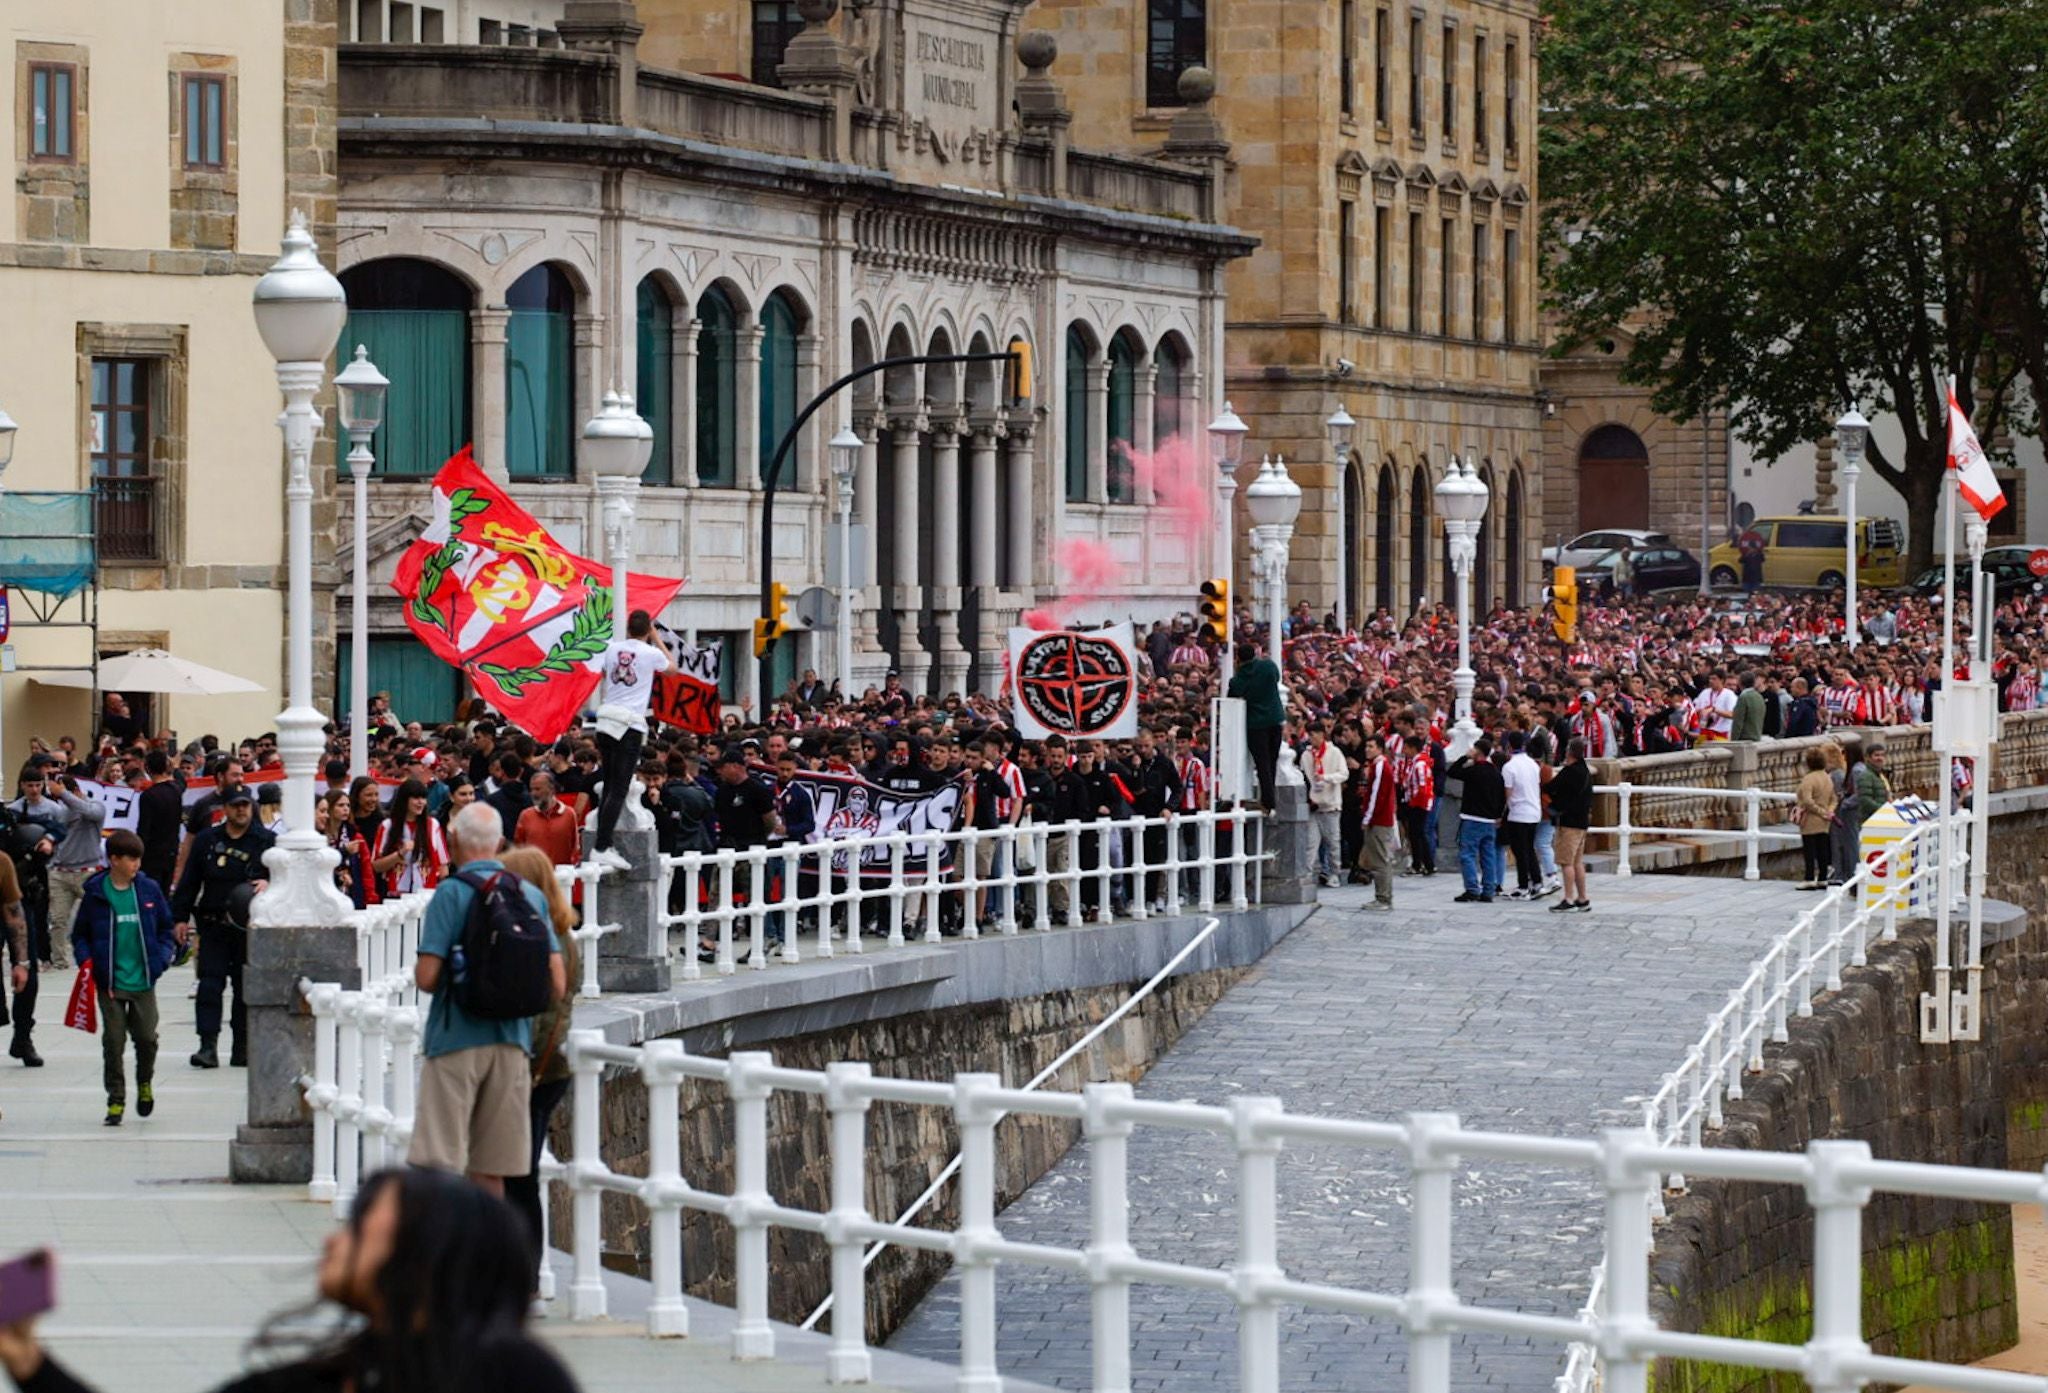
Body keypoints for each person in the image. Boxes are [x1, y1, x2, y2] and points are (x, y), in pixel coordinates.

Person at [0, 1166, 582, 1393]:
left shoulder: (514, 1378)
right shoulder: (321, 1380)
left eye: (358, 1227)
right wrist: (29, 1362)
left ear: (423, 1252)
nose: (333, 1239)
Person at [409, 803, 565, 1197]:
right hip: (512, 1042)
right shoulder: (529, 893)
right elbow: (557, 983)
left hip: (455, 1039)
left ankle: (445, 1255)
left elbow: (427, 977)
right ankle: (486, 1255)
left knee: (439, 1164)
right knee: (492, 1172)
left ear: (454, 838)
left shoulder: (451, 892)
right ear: (498, 843)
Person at [496, 845, 582, 1269]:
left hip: (535, 1067)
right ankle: (522, 1269)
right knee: (519, 1171)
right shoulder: (561, 934)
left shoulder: (543, 938)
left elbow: (545, 1010)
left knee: (519, 1172)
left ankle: (523, 1270)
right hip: (548, 1067)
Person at [71, 830, 178, 1126]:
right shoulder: (96, 893)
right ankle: (115, 1099)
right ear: (114, 859)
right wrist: (87, 962)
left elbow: (165, 927)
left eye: (138, 858)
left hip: (143, 978)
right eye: (130, 858)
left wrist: (162, 958)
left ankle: (145, 1082)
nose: (136, 864)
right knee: (113, 1041)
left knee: (146, 1038)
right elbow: (80, 934)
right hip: (110, 982)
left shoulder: (148, 889)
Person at [171, 788, 274, 1069]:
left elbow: (285, 876)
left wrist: (270, 882)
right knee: (210, 985)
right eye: (235, 805)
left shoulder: (266, 842)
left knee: (244, 989)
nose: (241, 810)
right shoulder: (208, 840)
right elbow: (190, 880)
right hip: (214, 924)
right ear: (225, 808)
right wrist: (179, 917)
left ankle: (242, 1047)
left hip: (248, 929)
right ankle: (207, 1045)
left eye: (245, 805)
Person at [589, 609, 673, 869]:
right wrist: (656, 639)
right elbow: (672, 669)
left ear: (627, 629)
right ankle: (602, 846)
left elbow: (603, 673)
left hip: (605, 720)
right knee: (619, 788)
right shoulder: (651, 653)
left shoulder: (612, 648)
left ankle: (602, 843)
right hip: (629, 724)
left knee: (609, 783)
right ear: (647, 630)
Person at [40, 769, 106, 972]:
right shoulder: (59, 812)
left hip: (89, 871)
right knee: (58, 920)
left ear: (76, 791)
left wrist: (64, 794)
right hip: (61, 872)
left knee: (96, 917)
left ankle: (97, 957)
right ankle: (59, 961)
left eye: (65, 795)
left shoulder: (94, 807)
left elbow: (91, 812)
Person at [1227, 641, 1285, 810]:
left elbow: (1232, 696)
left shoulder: (1237, 680)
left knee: (1262, 763)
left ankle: (1268, 801)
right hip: (1275, 720)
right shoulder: (1268, 666)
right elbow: (1277, 677)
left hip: (1256, 725)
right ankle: (1270, 798)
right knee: (1272, 760)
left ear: (1238, 659)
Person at [1451, 736, 1504, 903]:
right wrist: (1497, 815)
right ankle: (1488, 890)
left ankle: (1472, 889)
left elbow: (1452, 771)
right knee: (1488, 856)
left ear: (1477, 752)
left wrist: (1465, 757)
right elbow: (1501, 797)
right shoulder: (1496, 773)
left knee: (1468, 854)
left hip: (1472, 818)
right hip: (1489, 821)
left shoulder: (1473, 771)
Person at [1547, 738, 1595, 913]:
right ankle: (1582, 898)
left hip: (1568, 823)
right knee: (1577, 862)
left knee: (1566, 862)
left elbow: (1550, 787)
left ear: (1570, 752)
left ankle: (1568, 898)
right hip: (1582, 822)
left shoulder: (1569, 772)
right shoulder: (1585, 772)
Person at [1300, 722, 1347, 889]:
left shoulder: (1334, 752)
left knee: (1333, 842)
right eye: (1309, 735)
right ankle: (1306, 873)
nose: (1311, 738)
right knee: (1311, 843)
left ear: (1322, 735)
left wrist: (1326, 778)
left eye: (1314, 735)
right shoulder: (1306, 755)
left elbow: (1344, 774)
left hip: (1331, 804)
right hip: (1314, 804)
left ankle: (1335, 872)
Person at [1356, 733, 1398, 912]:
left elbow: (1376, 795)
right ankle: (1383, 897)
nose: (1367, 749)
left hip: (1379, 820)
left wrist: (1367, 817)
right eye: (1367, 746)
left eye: (1371, 746)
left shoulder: (1380, 766)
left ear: (1380, 748)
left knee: (1380, 860)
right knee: (1380, 858)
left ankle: (1383, 898)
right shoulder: (1378, 765)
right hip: (1379, 818)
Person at [1500, 731, 1544, 899]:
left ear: (1509, 746)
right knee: (1529, 848)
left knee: (1520, 851)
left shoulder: (1509, 767)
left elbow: (1508, 792)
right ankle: (1537, 881)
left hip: (1518, 812)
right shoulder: (1533, 764)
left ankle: (1523, 885)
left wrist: (1502, 813)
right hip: (1534, 810)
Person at [134, 750, 183, 891]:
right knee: (164, 895)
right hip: (171, 854)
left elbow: (143, 829)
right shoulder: (176, 790)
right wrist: (176, 768)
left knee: (149, 895)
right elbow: (182, 782)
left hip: (152, 857)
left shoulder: (148, 796)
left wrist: (137, 854)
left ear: (147, 768)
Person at [513, 770, 581, 869]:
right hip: (535, 876)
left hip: (562, 877)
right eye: (531, 789)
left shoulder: (569, 814)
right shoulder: (526, 815)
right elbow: (518, 848)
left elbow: (575, 848)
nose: (533, 793)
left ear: (551, 789)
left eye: (538, 789)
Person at [1795, 747, 1836, 890]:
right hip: (1824, 820)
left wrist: (1819, 811)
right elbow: (1834, 798)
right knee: (1822, 848)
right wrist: (1828, 812)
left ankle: (1809, 878)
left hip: (1810, 819)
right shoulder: (1827, 777)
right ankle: (1823, 877)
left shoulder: (1808, 779)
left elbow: (1807, 800)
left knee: (1809, 849)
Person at [1729, 670, 1767, 743]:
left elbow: (1738, 721)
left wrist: (1733, 741)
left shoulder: (1743, 697)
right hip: (1757, 737)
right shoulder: (1759, 696)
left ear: (1740, 683)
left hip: (1744, 739)